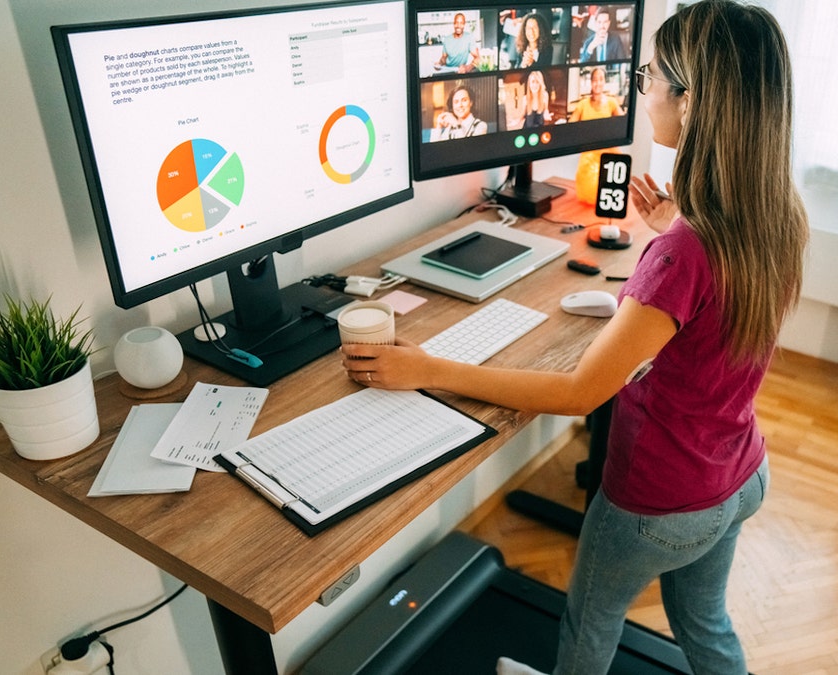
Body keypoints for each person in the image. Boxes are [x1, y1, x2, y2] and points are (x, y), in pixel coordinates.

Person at [342, 1, 807, 672]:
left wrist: (427, 367)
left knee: (590, 624)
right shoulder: (774, 215)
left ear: (690, 100)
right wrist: (670, 228)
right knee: (705, 624)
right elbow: (710, 313)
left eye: (651, 73)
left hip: (660, 500)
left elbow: (580, 390)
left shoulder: (685, 253)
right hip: (739, 474)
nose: (642, 85)